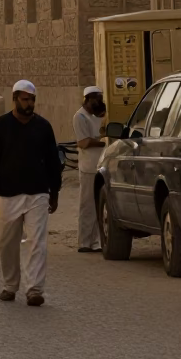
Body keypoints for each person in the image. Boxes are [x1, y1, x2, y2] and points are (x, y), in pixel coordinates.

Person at [0, 80, 62, 307]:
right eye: (25, 100)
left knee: (37, 242)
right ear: (15, 99)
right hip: (7, 194)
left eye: (32, 100)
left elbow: (53, 162)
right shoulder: (1, 125)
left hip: (38, 193)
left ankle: (34, 289)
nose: (29, 104)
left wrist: (54, 191)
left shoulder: (43, 127)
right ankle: (10, 285)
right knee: (8, 243)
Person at [74, 85, 107, 253]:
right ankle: (84, 242)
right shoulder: (80, 117)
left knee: (99, 206)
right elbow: (83, 142)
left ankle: (96, 242)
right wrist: (104, 141)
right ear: (88, 100)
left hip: (101, 166)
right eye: (96, 99)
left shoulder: (99, 116)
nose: (99, 102)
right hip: (88, 167)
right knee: (87, 206)